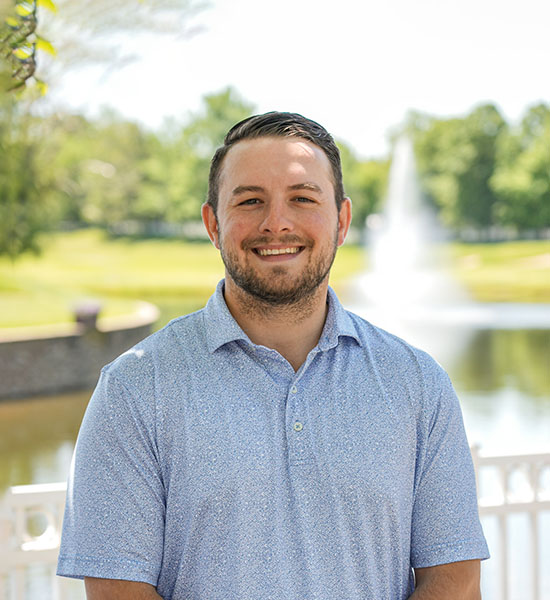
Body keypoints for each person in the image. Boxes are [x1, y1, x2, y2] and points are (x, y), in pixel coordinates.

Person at [57, 112, 489, 600]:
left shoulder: (418, 383)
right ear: (213, 224)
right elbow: (116, 590)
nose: (276, 222)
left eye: (302, 198)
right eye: (250, 201)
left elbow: (456, 580)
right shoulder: (134, 389)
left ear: (342, 221)